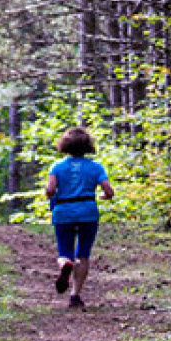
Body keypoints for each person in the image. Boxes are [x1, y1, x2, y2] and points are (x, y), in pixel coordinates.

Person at [45, 126, 112, 310]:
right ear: (87, 146)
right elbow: (108, 191)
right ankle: (75, 295)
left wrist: (50, 195)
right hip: (88, 212)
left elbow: (50, 190)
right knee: (83, 254)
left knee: (64, 251)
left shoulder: (57, 167)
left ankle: (65, 263)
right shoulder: (96, 167)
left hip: (63, 212)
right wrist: (104, 196)